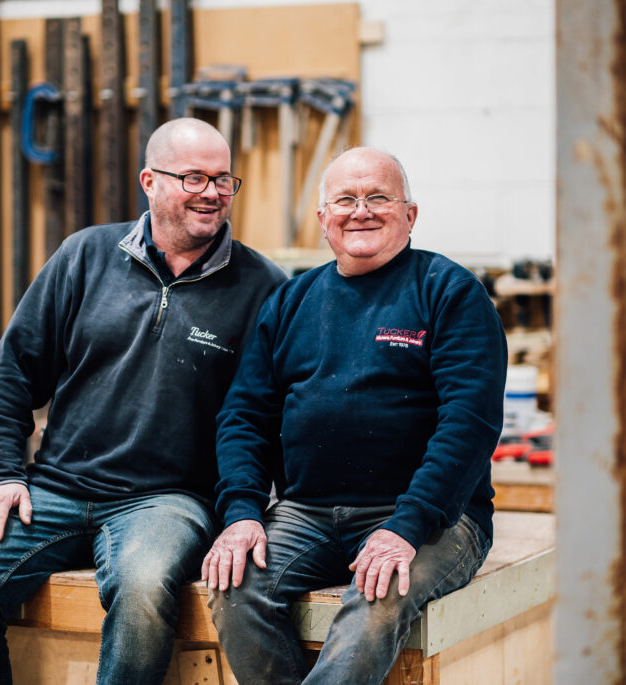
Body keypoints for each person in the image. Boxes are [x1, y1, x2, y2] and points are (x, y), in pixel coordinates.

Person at [0, 118, 286, 685]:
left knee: (144, 586)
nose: (212, 193)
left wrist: (247, 514)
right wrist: (1, 476)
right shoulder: (85, 255)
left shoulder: (263, 286)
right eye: (194, 177)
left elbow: (263, 418)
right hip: (54, 489)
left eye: (223, 179)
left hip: (168, 502)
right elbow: (12, 372)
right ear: (149, 181)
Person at [202, 147, 508, 684]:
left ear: (409, 215)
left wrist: (406, 527)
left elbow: (470, 423)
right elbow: (244, 415)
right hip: (305, 512)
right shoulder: (290, 301)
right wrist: (243, 513)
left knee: (378, 596)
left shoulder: (450, 292)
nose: (360, 210)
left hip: (424, 516)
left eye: (378, 197)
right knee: (233, 584)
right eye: (345, 199)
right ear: (324, 219)